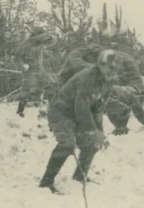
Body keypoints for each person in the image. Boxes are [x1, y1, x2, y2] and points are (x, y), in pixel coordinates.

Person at [38, 49, 119, 194]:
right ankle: (46, 182)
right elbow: (81, 107)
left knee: (93, 143)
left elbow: (98, 109)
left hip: (78, 113)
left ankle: (79, 176)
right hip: (61, 112)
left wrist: (99, 133)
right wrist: (93, 130)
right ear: (101, 64)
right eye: (110, 67)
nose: (112, 72)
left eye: (115, 68)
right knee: (67, 144)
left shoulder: (108, 82)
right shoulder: (88, 77)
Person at [57, 45, 144, 134]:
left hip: (128, 94)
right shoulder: (96, 74)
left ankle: (123, 127)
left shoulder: (109, 72)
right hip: (120, 92)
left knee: (120, 108)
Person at [14, 26, 55, 118]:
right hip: (29, 70)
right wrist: (22, 65)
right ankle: (20, 111)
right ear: (33, 36)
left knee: (52, 85)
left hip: (40, 70)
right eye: (39, 36)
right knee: (27, 91)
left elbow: (52, 40)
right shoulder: (24, 44)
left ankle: (48, 109)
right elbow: (16, 58)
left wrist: (47, 36)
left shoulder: (40, 42)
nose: (41, 38)